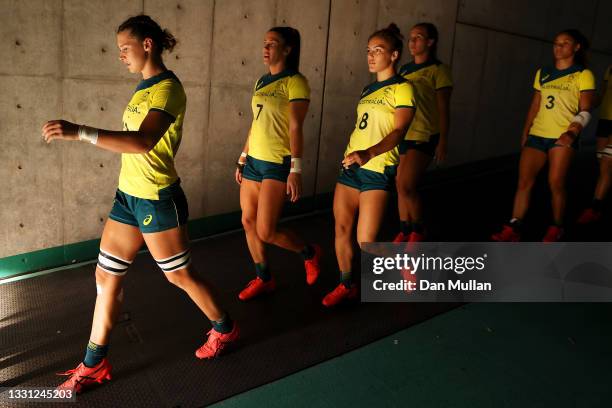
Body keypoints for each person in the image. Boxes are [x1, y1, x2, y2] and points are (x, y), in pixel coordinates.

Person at [42, 15, 238, 394]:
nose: (121, 56)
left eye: (125, 48)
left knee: (178, 276)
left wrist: (80, 131)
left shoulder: (168, 89)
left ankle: (225, 328)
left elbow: (144, 141)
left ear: (147, 44)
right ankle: (94, 363)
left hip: (158, 199)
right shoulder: (143, 88)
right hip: (128, 197)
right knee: (105, 277)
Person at [322, 24, 416, 307]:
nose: (371, 56)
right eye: (368, 51)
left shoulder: (403, 88)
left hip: (377, 167)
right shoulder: (367, 89)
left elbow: (399, 131)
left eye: (378, 50)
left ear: (395, 54)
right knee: (340, 229)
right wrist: (355, 153)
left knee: (367, 242)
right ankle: (346, 284)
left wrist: (369, 153)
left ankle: (403, 259)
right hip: (352, 165)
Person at [235, 27, 322, 301]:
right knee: (248, 221)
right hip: (254, 162)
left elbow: (296, 126)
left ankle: (309, 252)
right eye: (265, 43)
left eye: (272, 43)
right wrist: (243, 156)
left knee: (266, 230)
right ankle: (264, 278)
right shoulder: (261, 81)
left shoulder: (296, 82)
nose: (266, 48)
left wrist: (296, 169)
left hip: (277, 163)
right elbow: (256, 123)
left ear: (287, 49)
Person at [491, 29, 596, 242]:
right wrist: (525, 130)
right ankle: (514, 227)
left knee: (556, 183)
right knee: (523, 183)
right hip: (537, 135)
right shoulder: (543, 73)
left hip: (563, 137)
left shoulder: (583, 74)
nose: (558, 47)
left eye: (565, 43)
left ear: (576, 47)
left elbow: (586, 110)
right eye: (556, 43)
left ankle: (557, 226)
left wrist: (572, 133)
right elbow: (536, 104)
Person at [394, 22, 452, 243]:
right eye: (410, 37)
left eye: (418, 37)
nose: (412, 41)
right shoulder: (406, 70)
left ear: (430, 42)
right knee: (399, 185)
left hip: (425, 135)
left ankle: (418, 231)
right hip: (404, 134)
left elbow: (443, 108)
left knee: (407, 185)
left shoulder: (439, 70)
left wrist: (443, 141)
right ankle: (405, 230)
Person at [576, 64, 612, 224]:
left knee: (607, 162)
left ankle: (594, 208)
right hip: (605, 120)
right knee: (602, 163)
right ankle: (599, 199)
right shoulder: (610, 68)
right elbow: (602, 93)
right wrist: (586, 104)